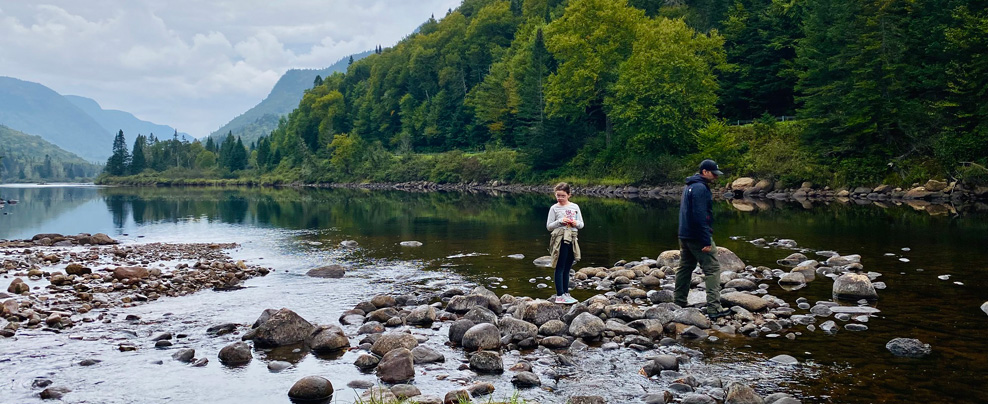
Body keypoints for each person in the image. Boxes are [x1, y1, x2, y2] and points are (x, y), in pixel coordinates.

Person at [674, 159, 732, 319]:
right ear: (704, 172)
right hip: (697, 236)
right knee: (712, 269)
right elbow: (700, 216)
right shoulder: (700, 188)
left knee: (685, 267)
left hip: (684, 234)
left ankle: (678, 302)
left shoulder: (689, 186)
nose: (715, 177)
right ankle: (714, 309)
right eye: (713, 173)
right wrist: (706, 240)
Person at [546, 182, 583, 304]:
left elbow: (581, 224)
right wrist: (560, 221)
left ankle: (566, 293)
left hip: (572, 238)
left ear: (569, 195)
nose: (560, 198)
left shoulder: (575, 207)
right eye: (558, 195)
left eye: (562, 195)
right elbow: (549, 226)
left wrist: (575, 223)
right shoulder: (554, 208)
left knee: (568, 266)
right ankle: (559, 295)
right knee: (560, 266)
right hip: (560, 238)